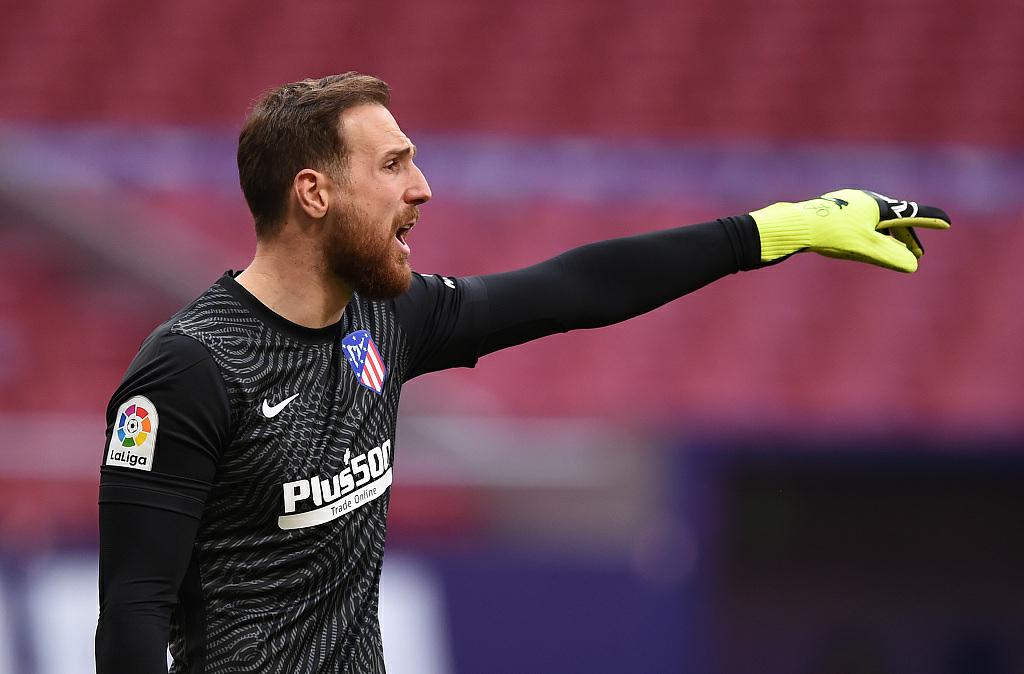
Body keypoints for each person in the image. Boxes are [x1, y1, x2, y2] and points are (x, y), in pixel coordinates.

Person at [94, 72, 949, 673]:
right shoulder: (190, 370)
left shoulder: (386, 319)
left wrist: (783, 227)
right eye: (392, 165)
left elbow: (576, 288)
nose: (422, 188)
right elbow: (133, 614)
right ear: (313, 194)